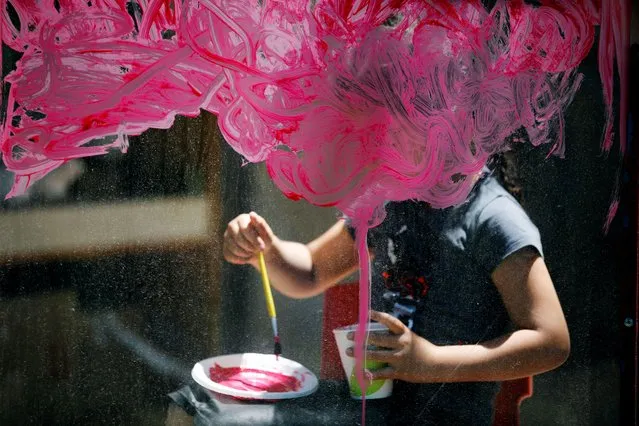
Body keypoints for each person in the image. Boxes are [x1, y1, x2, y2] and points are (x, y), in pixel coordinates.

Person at [222, 153, 570, 425]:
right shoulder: (389, 198)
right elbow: (311, 272)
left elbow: (551, 341)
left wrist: (430, 362)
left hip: (443, 420)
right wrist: (265, 250)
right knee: (221, 415)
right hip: (370, 410)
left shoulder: (493, 217)